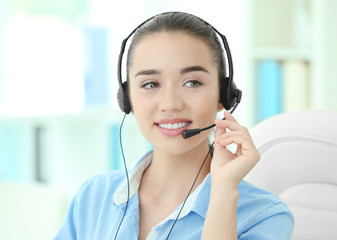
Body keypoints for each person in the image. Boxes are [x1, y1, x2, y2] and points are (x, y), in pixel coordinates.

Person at [54, 12, 294, 239]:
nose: (170, 104)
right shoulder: (93, 196)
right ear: (128, 100)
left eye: (192, 83)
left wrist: (223, 191)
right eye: (150, 84)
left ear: (223, 95)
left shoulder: (265, 217)